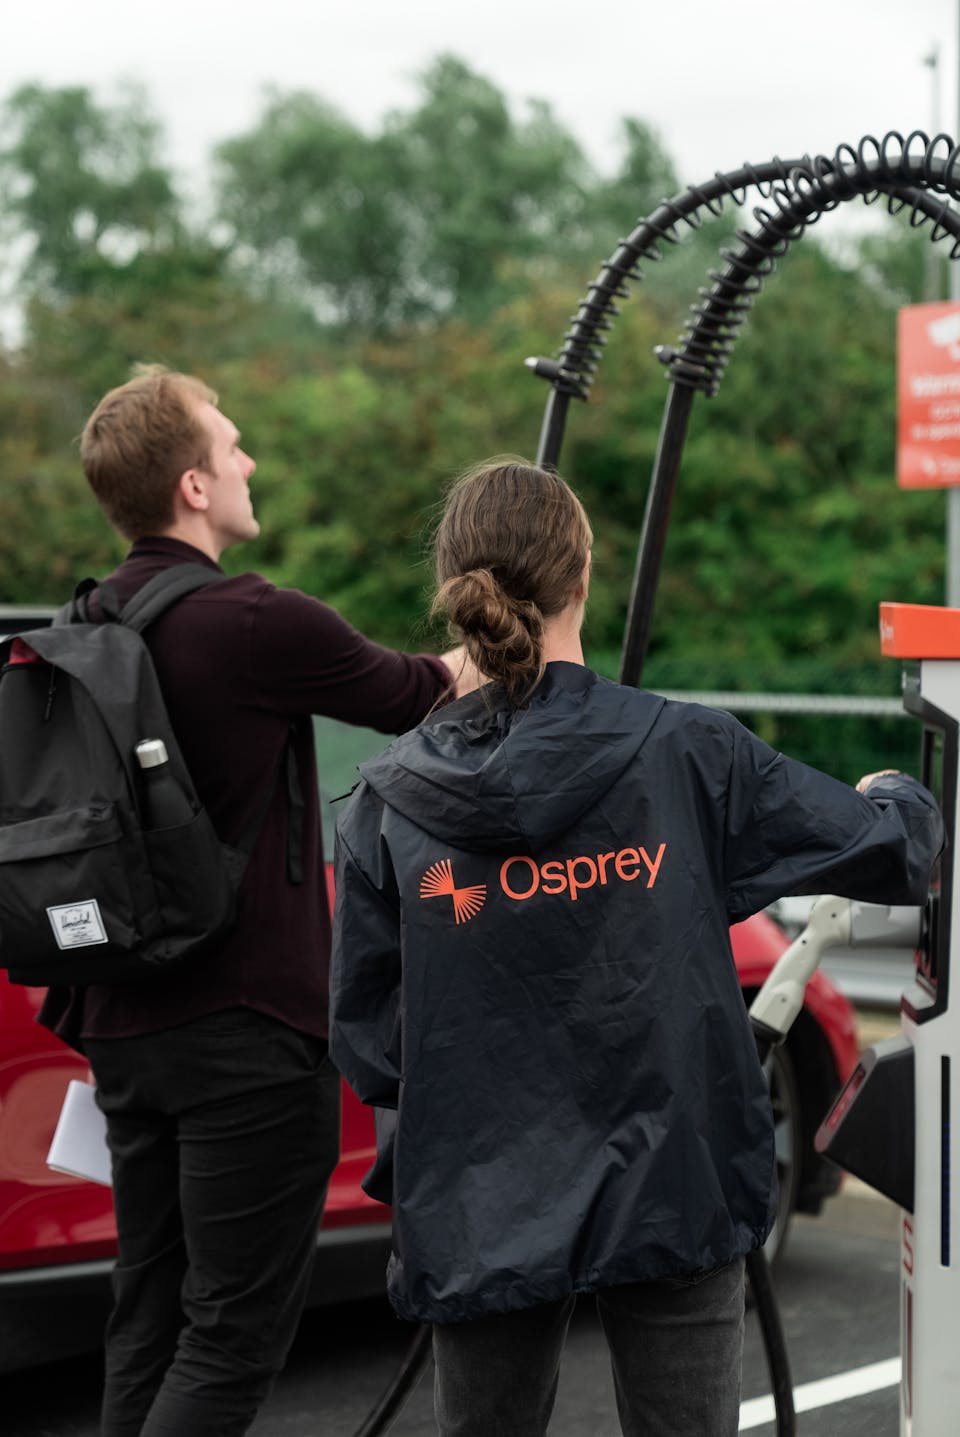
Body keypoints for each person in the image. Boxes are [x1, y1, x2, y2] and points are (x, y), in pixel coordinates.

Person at [328, 456, 944, 1437]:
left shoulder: (386, 804)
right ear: (582, 578)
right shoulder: (682, 752)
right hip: (674, 1185)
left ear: (456, 597)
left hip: (479, 1206)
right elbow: (896, 851)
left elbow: (367, 1045)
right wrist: (891, 792)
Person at [37, 366, 474, 1437]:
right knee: (231, 1335)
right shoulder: (254, 622)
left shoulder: (87, 621)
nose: (249, 462)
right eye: (232, 447)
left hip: (121, 1032)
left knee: (147, 1317)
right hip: (250, 1040)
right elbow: (425, 690)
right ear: (192, 486)